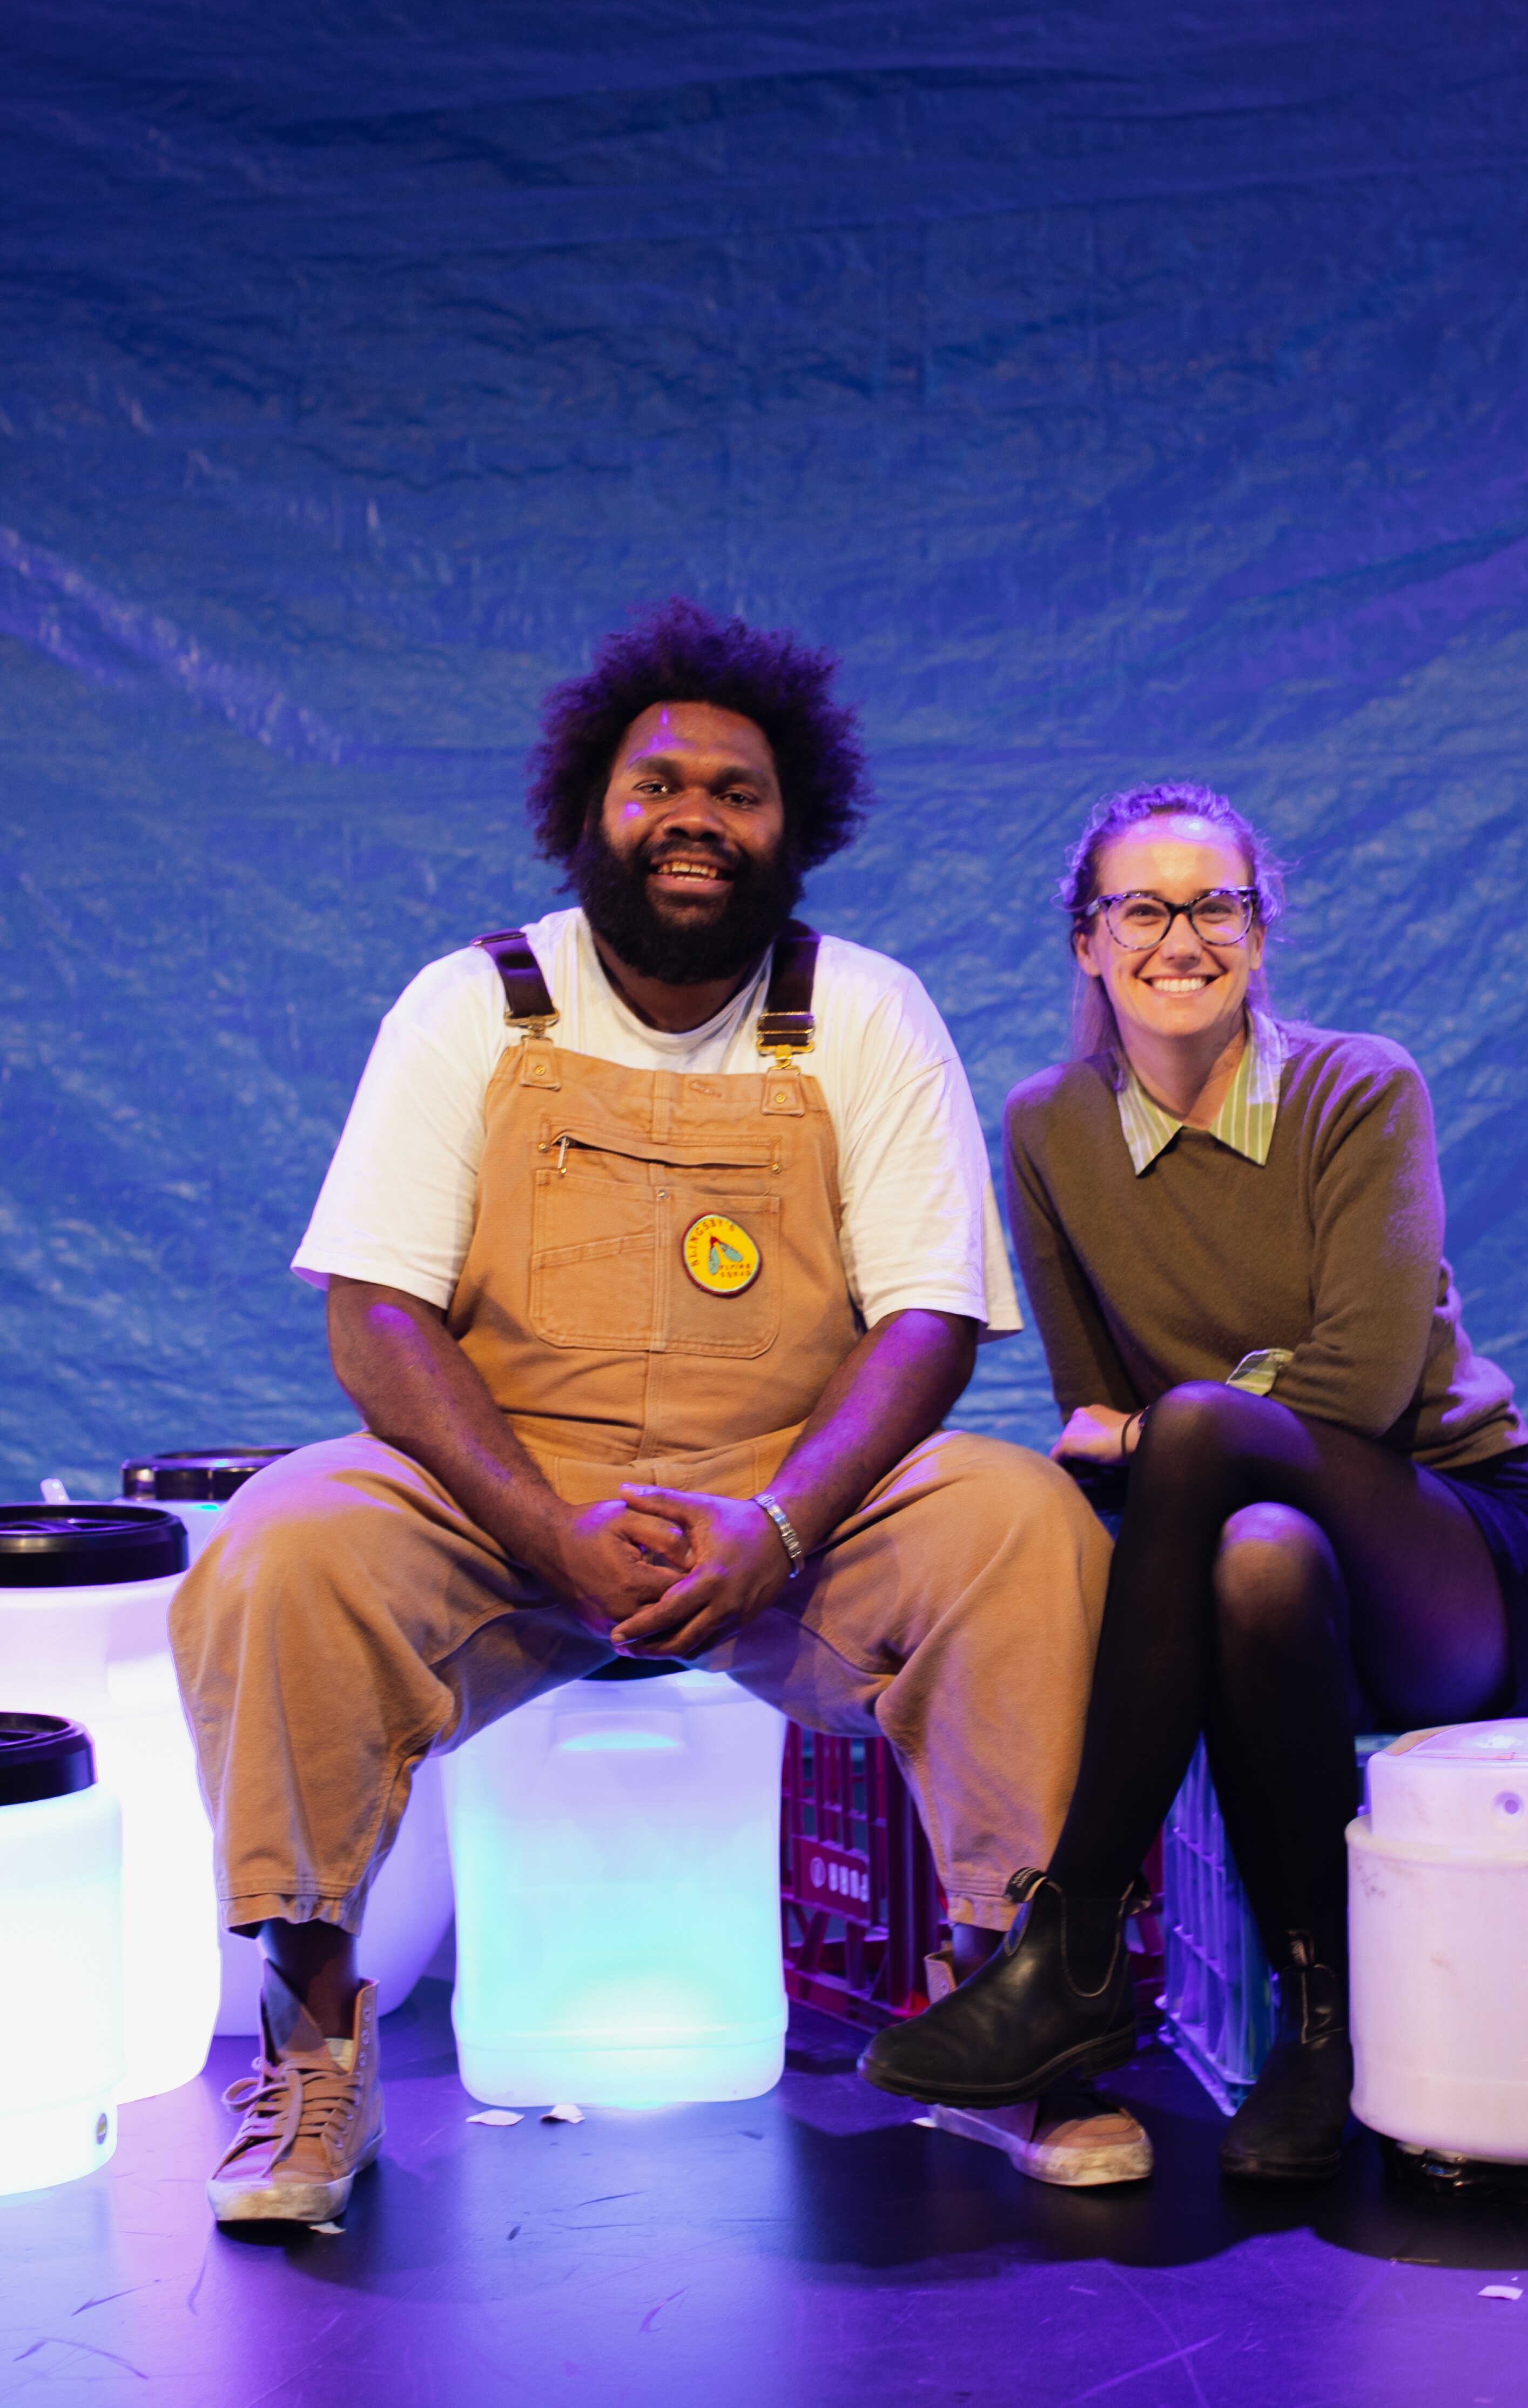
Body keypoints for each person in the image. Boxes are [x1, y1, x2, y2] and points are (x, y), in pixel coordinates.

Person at [171, 600, 1118, 2225]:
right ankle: (315, 2033)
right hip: (501, 1508)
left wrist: (782, 1522)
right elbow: (376, 1312)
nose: (694, 817)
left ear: (795, 825)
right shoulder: (473, 1004)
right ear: (588, 815)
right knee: (287, 1545)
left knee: (1019, 1526)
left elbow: (931, 1323)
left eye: (738, 793)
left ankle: (1000, 2025)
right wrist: (543, 1526)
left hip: (794, 1514)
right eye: (657, 784)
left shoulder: (870, 1012)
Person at [859, 779, 1528, 2181]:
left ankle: (1065, 1947)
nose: (1180, 936)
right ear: (1088, 941)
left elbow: (1366, 1391)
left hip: (1464, 1557)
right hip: (1277, 1590)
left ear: (1260, 933)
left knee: (1195, 1436)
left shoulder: (1356, 1087)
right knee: (1255, 1550)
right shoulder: (1047, 1127)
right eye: (1143, 906)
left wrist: (1165, 1429)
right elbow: (1090, 1409)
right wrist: (1158, 1433)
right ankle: (1323, 2037)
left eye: (1217, 905)